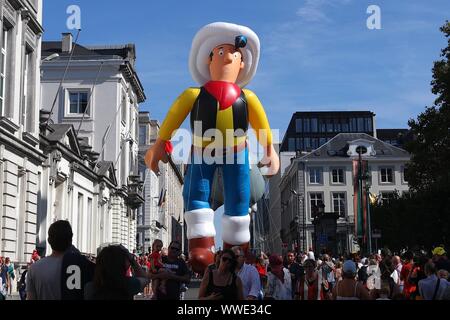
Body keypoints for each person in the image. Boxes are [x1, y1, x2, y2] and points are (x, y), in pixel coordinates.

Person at [144, 22, 280, 274]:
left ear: (242, 64)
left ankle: (236, 246)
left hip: (237, 151)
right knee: (196, 193)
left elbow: (261, 124)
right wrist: (160, 143)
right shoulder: (193, 94)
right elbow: (174, 117)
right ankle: (201, 245)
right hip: (202, 150)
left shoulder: (248, 97)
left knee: (238, 195)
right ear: (208, 60)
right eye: (220, 52)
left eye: (235, 54)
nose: (228, 56)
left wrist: (269, 148)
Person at [26, 220, 94, 300]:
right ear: (70, 240)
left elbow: (31, 298)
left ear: (49, 241)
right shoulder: (82, 265)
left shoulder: (34, 269)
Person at [84, 245, 149, 300]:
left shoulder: (90, 288)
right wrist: (132, 259)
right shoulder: (129, 284)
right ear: (122, 264)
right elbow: (145, 279)